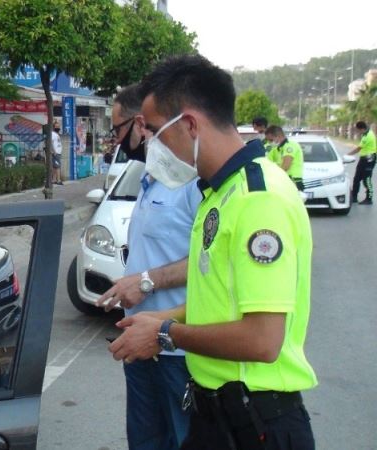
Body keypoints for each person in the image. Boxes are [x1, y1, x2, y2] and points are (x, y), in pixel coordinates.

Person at [109, 55, 317, 450]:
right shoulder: (218, 194)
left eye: (155, 132)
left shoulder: (257, 200)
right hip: (217, 412)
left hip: (256, 419)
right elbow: (220, 298)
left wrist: (165, 334)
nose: (151, 146)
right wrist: (161, 318)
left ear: (189, 124)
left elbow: (262, 340)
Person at [96, 83, 202, 450]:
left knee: (184, 440)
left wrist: (144, 282)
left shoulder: (191, 182)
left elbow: (211, 262)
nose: (116, 140)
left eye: (117, 130)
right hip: (139, 344)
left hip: (177, 350)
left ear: (140, 125)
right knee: (145, 441)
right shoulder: (149, 178)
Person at [265, 126, 305, 191]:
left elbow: (285, 166)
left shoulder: (290, 146)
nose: (269, 142)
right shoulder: (278, 148)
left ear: (278, 136)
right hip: (285, 180)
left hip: (293, 181)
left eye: (271, 140)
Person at [347, 121, 376, 205]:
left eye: (357, 130)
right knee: (356, 178)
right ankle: (354, 197)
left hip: (369, 159)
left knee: (367, 179)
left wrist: (347, 154)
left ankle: (369, 199)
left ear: (361, 129)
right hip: (364, 158)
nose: (357, 131)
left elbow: (358, 149)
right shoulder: (366, 133)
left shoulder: (368, 136)